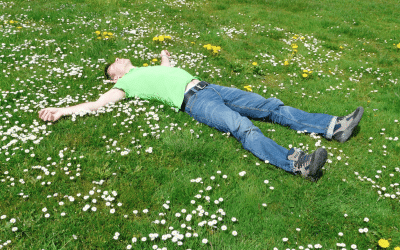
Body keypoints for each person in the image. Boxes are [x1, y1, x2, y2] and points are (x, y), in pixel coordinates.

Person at [38, 50, 364, 182]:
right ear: (116, 78)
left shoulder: (146, 69)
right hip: (194, 102)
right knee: (242, 127)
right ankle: (298, 163)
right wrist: (62, 110)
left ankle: (333, 126)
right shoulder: (126, 86)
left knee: (270, 106)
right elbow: (96, 104)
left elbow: (167, 70)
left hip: (211, 87)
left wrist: (165, 57)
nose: (120, 59)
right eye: (115, 65)